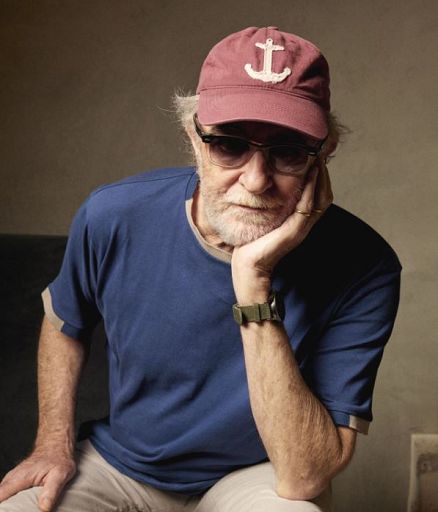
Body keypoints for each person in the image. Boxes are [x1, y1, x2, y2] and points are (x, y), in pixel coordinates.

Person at [0, 26, 401, 512]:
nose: (256, 180)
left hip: (256, 475)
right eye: (229, 145)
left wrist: (253, 281)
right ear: (194, 137)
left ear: (323, 155)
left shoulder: (367, 265)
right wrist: (52, 443)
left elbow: (303, 475)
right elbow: (64, 322)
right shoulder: (113, 215)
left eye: (289, 152)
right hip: (120, 465)